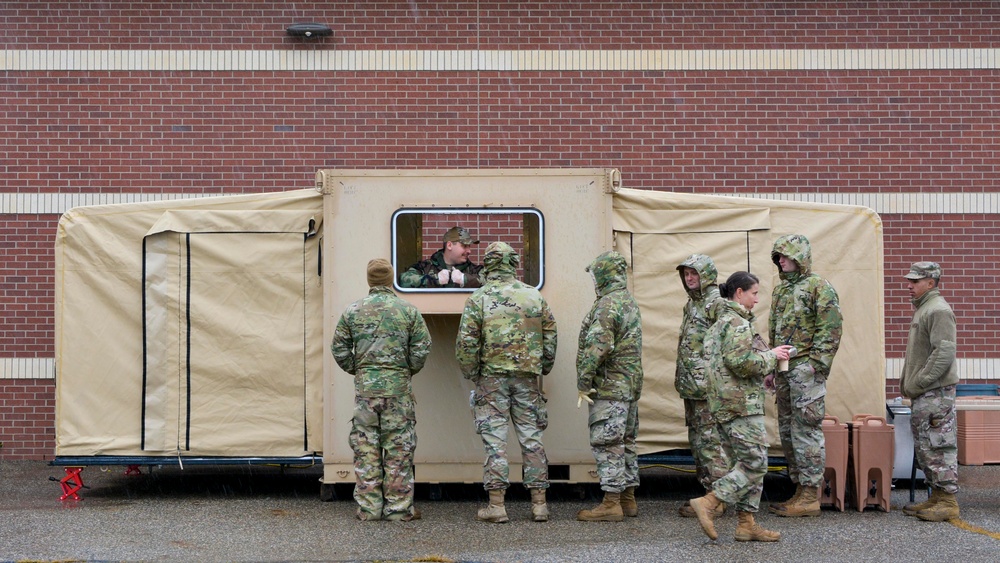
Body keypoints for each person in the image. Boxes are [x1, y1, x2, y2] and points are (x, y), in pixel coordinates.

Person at [455, 241, 557, 523]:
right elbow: (550, 335)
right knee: (532, 438)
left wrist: (472, 373)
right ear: (513, 264)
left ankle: (497, 506)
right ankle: (539, 504)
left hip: (491, 379)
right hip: (527, 378)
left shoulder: (480, 298)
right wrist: (542, 367)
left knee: (495, 442)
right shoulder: (533, 296)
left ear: (488, 264)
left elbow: (466, 343)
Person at [689, 271, 793, 542]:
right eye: (754, 293)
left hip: (724, 405)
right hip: (741, 406)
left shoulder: (718, 324)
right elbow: (741, 363)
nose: (757, 299)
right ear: (739, 293)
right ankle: (710, 501)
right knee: (755, 463)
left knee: (743, 463)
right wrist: (771, 356)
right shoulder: (737, 323)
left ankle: (746, 524)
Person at [330, 258, 432, 521]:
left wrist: (359, 370)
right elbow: (422, 348)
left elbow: (339, 348)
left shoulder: (353, 311)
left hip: (366, 391)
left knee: (366, 448)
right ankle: (398, 509)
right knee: (399, 449)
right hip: (398, 390)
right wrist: (406, 370)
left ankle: (369, 508)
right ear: (390, 279)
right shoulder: (408, 311)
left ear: (369, 280)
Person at [765, 234, 843, 518]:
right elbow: (775, 331)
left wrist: (815, 365)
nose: (781, 260)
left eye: (786, 255)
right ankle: (799, 488)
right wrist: (773, 368)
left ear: (800, 257)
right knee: (788, 431)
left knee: (806, 431)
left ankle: (810, 494)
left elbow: (830, 327)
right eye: (778, 256)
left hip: (805, 371)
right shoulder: (781, 290)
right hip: (785, 370)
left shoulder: (818, 287)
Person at [575, 251, 643, 522]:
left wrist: (583, 382)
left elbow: (598, 347)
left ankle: (611, 503)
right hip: (628, 386)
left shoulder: (607, 304)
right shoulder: (627, 300)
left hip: (609, 386)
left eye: (595, 275)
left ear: (604, 274)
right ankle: (628, 499)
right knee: (626, 442)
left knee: (608, 442)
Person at [899, 262, 960, 522]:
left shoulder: (938, 310)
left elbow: (943, 352)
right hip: (926, 393)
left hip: (935, 392)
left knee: (938, 444)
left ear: (931, 283)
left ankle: (947, 501)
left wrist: (921, 382)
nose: (909, 285)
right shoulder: (925, 308)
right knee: (926, 445)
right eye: (910, 280)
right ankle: (937, 496)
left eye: (915, 281)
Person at [674, 254, 730, 519]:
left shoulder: (717, 303)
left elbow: (730, 338)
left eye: (694, 273)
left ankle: (717, 499)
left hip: (708, 389)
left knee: (711, 444)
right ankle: (707, 496)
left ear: (707, 275)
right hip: (691, 387)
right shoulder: (691, 304)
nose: (689, 278)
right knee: (698, 443)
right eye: (686, 274)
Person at [399, 226, 483, 288]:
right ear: (449, 245)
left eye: (469, 246)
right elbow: (404, 280)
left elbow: (489, 281)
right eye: (464, 246)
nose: (469, 251)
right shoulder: (425, 267)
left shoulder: (474, 270)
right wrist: (435, 279)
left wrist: (464, 279)